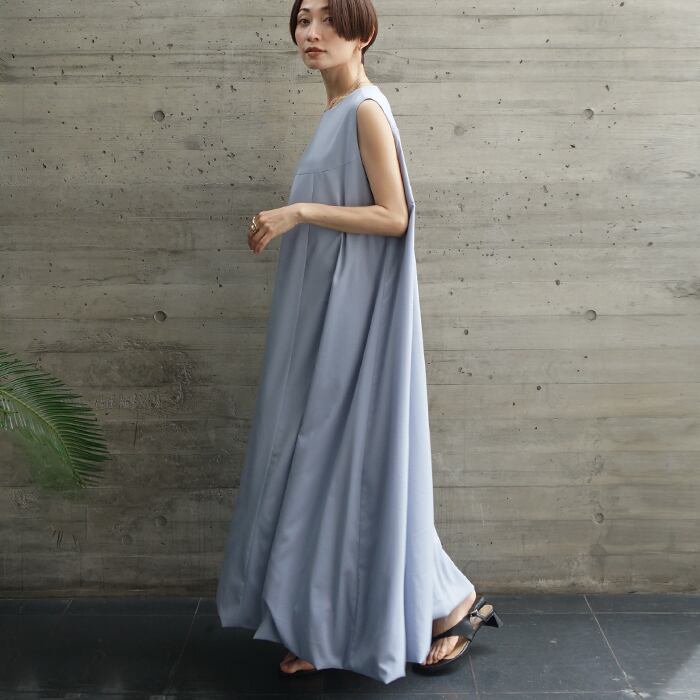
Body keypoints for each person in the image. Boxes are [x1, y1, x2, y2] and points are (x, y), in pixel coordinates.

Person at [216, 0, 503, 685]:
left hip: (355, 320)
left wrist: (299, 211)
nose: (310, 33)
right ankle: (350, 620)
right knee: (332, 465)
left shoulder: (366, 110)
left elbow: (395, 215)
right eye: (302, 20)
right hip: (324, 318)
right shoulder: (335, 112)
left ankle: (439, 606)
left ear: (363, 34)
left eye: (328, 21)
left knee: (344, 463)